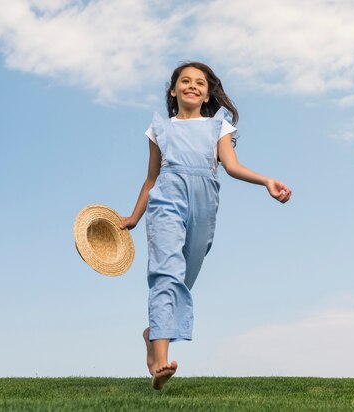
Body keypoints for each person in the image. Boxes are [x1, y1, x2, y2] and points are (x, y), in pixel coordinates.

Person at [119, 61, 292, 390]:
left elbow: (232, 166)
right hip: (166, 200)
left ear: (208, 93)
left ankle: (152, 332)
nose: (192, 86)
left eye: (200, 82)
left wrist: (266, 181)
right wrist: (133, 217)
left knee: (185, 277)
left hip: (204, 203)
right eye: (185, 81)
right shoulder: (159, 128)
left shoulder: (219, 126)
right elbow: (151, 178)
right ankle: (159, 362)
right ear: (174, 90)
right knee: (165, 273)